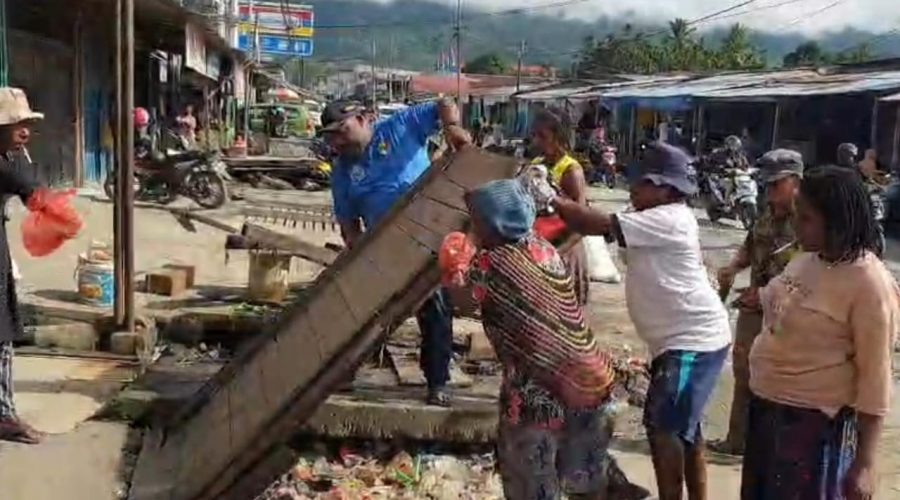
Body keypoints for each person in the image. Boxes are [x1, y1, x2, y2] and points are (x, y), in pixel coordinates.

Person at [447, 179, 647, 500]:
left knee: (530, 475)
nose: (473, 225)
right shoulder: (543, 249)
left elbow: (461, 298)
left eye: (476, 218)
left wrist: (457, 255)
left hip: (540, 390)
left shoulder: (494, 263)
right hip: (592, 379)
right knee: (581, 470)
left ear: (493, 222)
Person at [553, 142, 731, 500]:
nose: (632, 188)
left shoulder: (670, 218)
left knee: (662, 425)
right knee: (686, 428)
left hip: (692, 341)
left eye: (642, 182)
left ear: (666, 188)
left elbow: (592, 223)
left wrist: (550, 197)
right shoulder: (650, 215)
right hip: (680, 341)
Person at [741, 165, 897, 500]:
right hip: (767, 414)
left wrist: (865, 463)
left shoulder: (869, 283)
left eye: (807, 218)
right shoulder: (805, 260)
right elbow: (778, 300)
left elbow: (875, 379)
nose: (796, 224)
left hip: (813, 430)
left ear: (837, 221)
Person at [321, 98, 470, 407]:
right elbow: (348, 223)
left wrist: (452, 127)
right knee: (365, 314)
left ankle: (438, 381)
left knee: (435, 312)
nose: (337, 141)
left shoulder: (400, 128)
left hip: (428, 242)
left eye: (342, 130)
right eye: (330, 135)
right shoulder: (342, 172)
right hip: (383, 250)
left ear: (363, 120)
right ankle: (344, 371)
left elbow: (444, 103)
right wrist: (360, 256)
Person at [713, 149, 803, 456]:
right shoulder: (765, 213)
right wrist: (732, 268)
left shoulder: (810, 220)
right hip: (754, 308)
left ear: (796, 181)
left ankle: (773, 446)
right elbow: (750, 247)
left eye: (776, 184)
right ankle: (737, 440)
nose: (770, 191)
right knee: (744, 371)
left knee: (780, 379)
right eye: (766, 185)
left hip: (791, 315)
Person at [0, 88, 46, 444]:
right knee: (1, 337)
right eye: (16, 124)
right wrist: (23, 160)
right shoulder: (6, 165)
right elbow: (35, 196)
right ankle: (3, 416)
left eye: (27, 123)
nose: (25, 131)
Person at [530, 108, 590, 304]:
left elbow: (582, 222)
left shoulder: (571, 171)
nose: (536, 141)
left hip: (564, 250)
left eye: (543, 136)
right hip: (542, 249)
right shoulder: (537, 164)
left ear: (559, 136)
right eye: (535, 135)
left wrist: (557, 254)